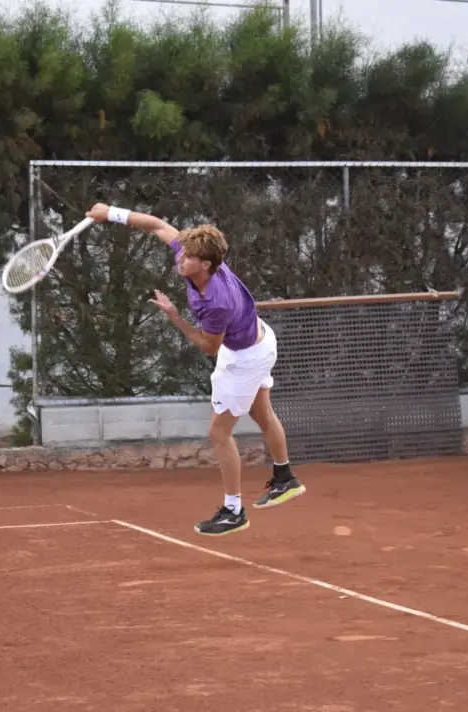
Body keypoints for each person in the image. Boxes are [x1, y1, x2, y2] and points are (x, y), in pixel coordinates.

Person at [85, 202, 306, 536]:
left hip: (245, 357)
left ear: (204, 265)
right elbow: (157, 224)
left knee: (219, 433)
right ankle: (285, 478)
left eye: (186, 257)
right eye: (181, 253)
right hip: (260, 340)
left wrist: (174, 315)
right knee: (262, 413)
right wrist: (111, 213)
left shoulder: (215, 302)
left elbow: (209, 347)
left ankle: (234, 511)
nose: (179, 258)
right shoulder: (198, 258)